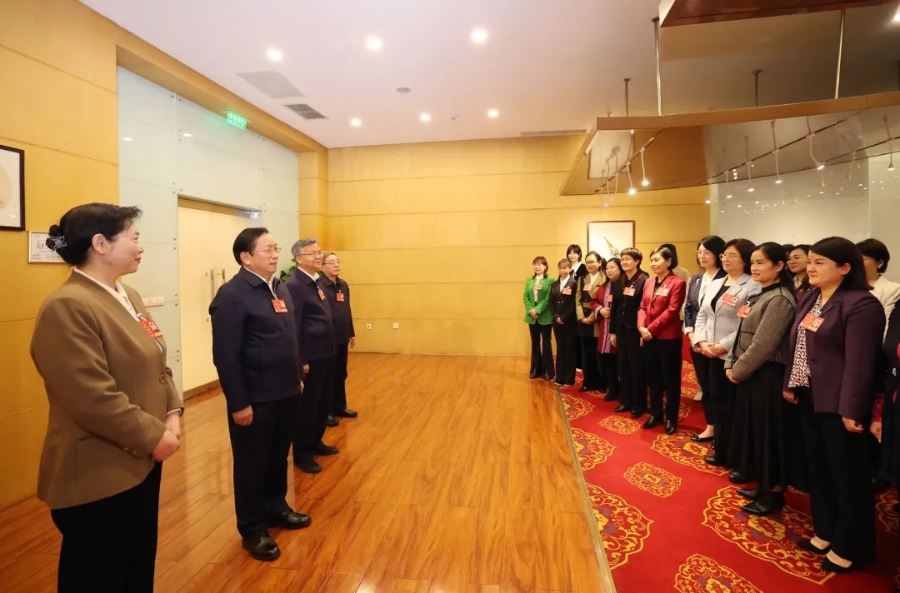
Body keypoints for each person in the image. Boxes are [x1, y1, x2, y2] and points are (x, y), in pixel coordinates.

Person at [30, 204, 183, 591]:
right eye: (134, 237)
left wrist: (173, 410)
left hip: (141, 461)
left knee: (135, 567)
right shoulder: (68, 305)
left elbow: (157, 359)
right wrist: (155, 436)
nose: (140, 247)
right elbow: (91, 398)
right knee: (99, 575)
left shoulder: (126, 293)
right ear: (100, 244)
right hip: (99, 473)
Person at [783, 237, 885, 573]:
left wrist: (851, 409)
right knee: (819, 469)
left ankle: (851, 545)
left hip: (840, 403)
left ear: (844, 268)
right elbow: (797, 344)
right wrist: (791, 383)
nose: (810, 267)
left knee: (847, 475)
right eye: (810, 261)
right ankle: (825, 531)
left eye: (819, 262)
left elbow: (860, 363)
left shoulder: (861, 304)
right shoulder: (812, 297)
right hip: (810, 395)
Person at [210, 228, 309, 562]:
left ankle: (276, 507)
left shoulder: (279, 288)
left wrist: (297, 377)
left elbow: (290, 339)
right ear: (246, 257)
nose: (275, 254)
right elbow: (226, 357)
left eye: (276, 248)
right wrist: (239, 402)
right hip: (256, 398)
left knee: (278, 456)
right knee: (252, 464)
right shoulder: (232, 295)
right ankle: (253, 528)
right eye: (267, 249)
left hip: (286, 391)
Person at [725, 243, 797, 516]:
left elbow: (764, 345)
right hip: (752, 372)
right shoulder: (761, 294)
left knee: (768, 435)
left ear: (778, 266)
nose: (754, 268)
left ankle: (773, 494)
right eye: (752, 262)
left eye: (760, 263)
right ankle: (762, 484)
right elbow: (741, 334)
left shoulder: (780, 299)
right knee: (754, 431)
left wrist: (738, 370)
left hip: (767, 374)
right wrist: (732, 364)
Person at [693, 238, 759, 478]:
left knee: (732, 406)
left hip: (731, 354)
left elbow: (746, 323)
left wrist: (722, 346)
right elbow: (702, 315)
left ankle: (734, 454)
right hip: (709, 351)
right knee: (715, 400)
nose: (726, 259)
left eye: (732, 255)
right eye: (724, 255)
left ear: (745, 259)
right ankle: (720, 449)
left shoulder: (752, 285)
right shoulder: (717, 282)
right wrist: (701, 341)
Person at [286, 238, 340, 473]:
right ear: (299, 258)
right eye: (313, 254)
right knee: (308, 407)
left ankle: (316, 442)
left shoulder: (316, 281)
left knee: (321, 403)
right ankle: (303, 453)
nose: (319, 257)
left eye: (319, 252)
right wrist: (302, 360)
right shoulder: (294, 285)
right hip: (311, 357)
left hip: (326, 353)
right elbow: (294, 327)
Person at [638, 246, 687, 434]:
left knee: (671, 379)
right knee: (653, 377)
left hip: (668, 338)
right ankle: (655, 413)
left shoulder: (678, 282)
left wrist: (649, 329)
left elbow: (672, 311)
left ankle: (671, 417)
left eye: (657, 260)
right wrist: (641, 328)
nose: (653, 263)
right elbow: (642, 307)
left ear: (669, 261)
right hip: (648, 337)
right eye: (651, 260)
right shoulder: (649, 282)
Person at [684, 236, 726, 442]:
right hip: (697, 341)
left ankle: (723, 430)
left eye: (707, 252)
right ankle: (710, 426)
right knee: (706, 387)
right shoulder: (697, 278)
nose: (702, 256)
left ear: (718, 254)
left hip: (719, 343)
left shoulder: (727, 278)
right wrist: (693, 337)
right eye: (699, 252)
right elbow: (689, 308)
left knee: (720, 389)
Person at [610, 248, 649, 418]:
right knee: (623, 366)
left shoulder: (644, 280)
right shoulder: (619, 280)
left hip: (635, 330)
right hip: (621, 330)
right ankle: (625, 400)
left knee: (637, 367)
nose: (624, 262)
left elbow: (646, 309)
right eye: (622, 259)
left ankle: (638, 404)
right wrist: (612, 331)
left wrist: (642, 331)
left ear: (637, 261)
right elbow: (615, 308)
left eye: (628, 259)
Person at [320, 252, 358, 420]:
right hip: (328, 339)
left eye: (337, 261)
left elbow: (346, 309)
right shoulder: (319, 285)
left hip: (342, 336)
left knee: (341, 373)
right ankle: (326, 411)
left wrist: (351, 332)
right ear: (322, 267)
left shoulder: (343, 284)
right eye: (331, 262)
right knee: (328, 375)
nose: (336, 265)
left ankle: (340, 407)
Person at [592, 258, 622, 402]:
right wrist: (600, 309)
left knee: (620, 362)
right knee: (607, 362)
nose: (609, 271)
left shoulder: (623, 285)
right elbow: (594, 301)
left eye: (612, 268)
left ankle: (622, 389)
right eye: (607, 268)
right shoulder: (604, 286)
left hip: (619, 330)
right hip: (605, 329)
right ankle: (612, 388)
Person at [576, 251, 606, 392]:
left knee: (598, 354)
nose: (589, 264)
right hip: (584, 321)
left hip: (598, 319)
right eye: (587, 262)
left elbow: (604, 301)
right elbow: (577, 301)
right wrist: (582, 317)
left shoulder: (605, 278)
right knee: (586, 354)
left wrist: (593, 317)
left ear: (599, 263)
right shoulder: (582, 279)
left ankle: (601, 383)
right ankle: (587, 382)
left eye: (592, 262)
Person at [523, 256, 554, 380]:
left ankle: (547, 371)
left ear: (545, 266)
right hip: (532, 317)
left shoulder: (550, 280)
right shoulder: (529, 280)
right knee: (535, 343)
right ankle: (536, 369)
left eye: (540, 264)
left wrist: (537, 310)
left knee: (546, 343)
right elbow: (525, 296)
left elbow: (548, 298)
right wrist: (531, 310)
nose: (537, 266)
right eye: (535, 264)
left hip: (545, 316)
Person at [857, 238, 900, 326]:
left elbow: (889, 325)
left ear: (879, 262)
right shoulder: (847, 287)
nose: (856, 263)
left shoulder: (893, 289)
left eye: (862, 259)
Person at [550, 259, 578, 386]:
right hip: (557, 321)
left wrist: (564, 317)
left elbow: (573, 303)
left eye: (565, 268)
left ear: (570, 269)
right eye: (560, 268)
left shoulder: (574, 283)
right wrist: (556, 317)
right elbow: (551, 303)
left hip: (569, 321)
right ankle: (559, 376)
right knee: (560, 348)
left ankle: (569, 378)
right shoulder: (554, 284)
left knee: (570, 349)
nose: (562, 270)